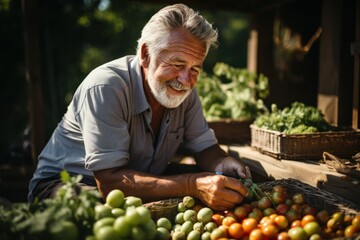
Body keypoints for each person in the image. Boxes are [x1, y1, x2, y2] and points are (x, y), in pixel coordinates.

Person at [28, 3, 251, 211]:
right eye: (177, 64)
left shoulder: (187, 94)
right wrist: (192, 184)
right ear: (145, 54)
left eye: (195, 68)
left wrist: (223, 163)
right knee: (110, 216)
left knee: (218, 186)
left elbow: (206, 149)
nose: (186, 80)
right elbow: (109, 183)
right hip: (69, 183)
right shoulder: (107, 86)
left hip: (140, 175)